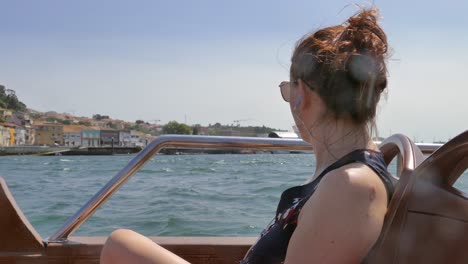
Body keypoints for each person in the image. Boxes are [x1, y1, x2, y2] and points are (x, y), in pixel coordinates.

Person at [100, 7, 393, 264]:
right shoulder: (349, 172)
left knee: (120, 247)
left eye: (287, 91)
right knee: (122, 243)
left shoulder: (349, 187)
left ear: (301, 94)